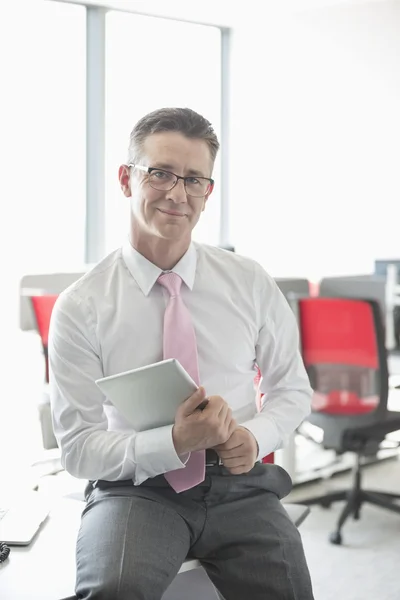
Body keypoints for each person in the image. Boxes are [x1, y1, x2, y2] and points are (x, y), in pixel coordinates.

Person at [49, 107, 315, 600]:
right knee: (113, 589)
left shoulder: (249, 280)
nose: (176, 193)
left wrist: (253, 438)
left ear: (207, 193)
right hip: (137, 487)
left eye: (194, 180)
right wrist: (173, 441)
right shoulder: (81, 306)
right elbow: (78, 448)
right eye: (161, 173)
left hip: (240, 484)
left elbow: (292, 390)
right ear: (127, 179)